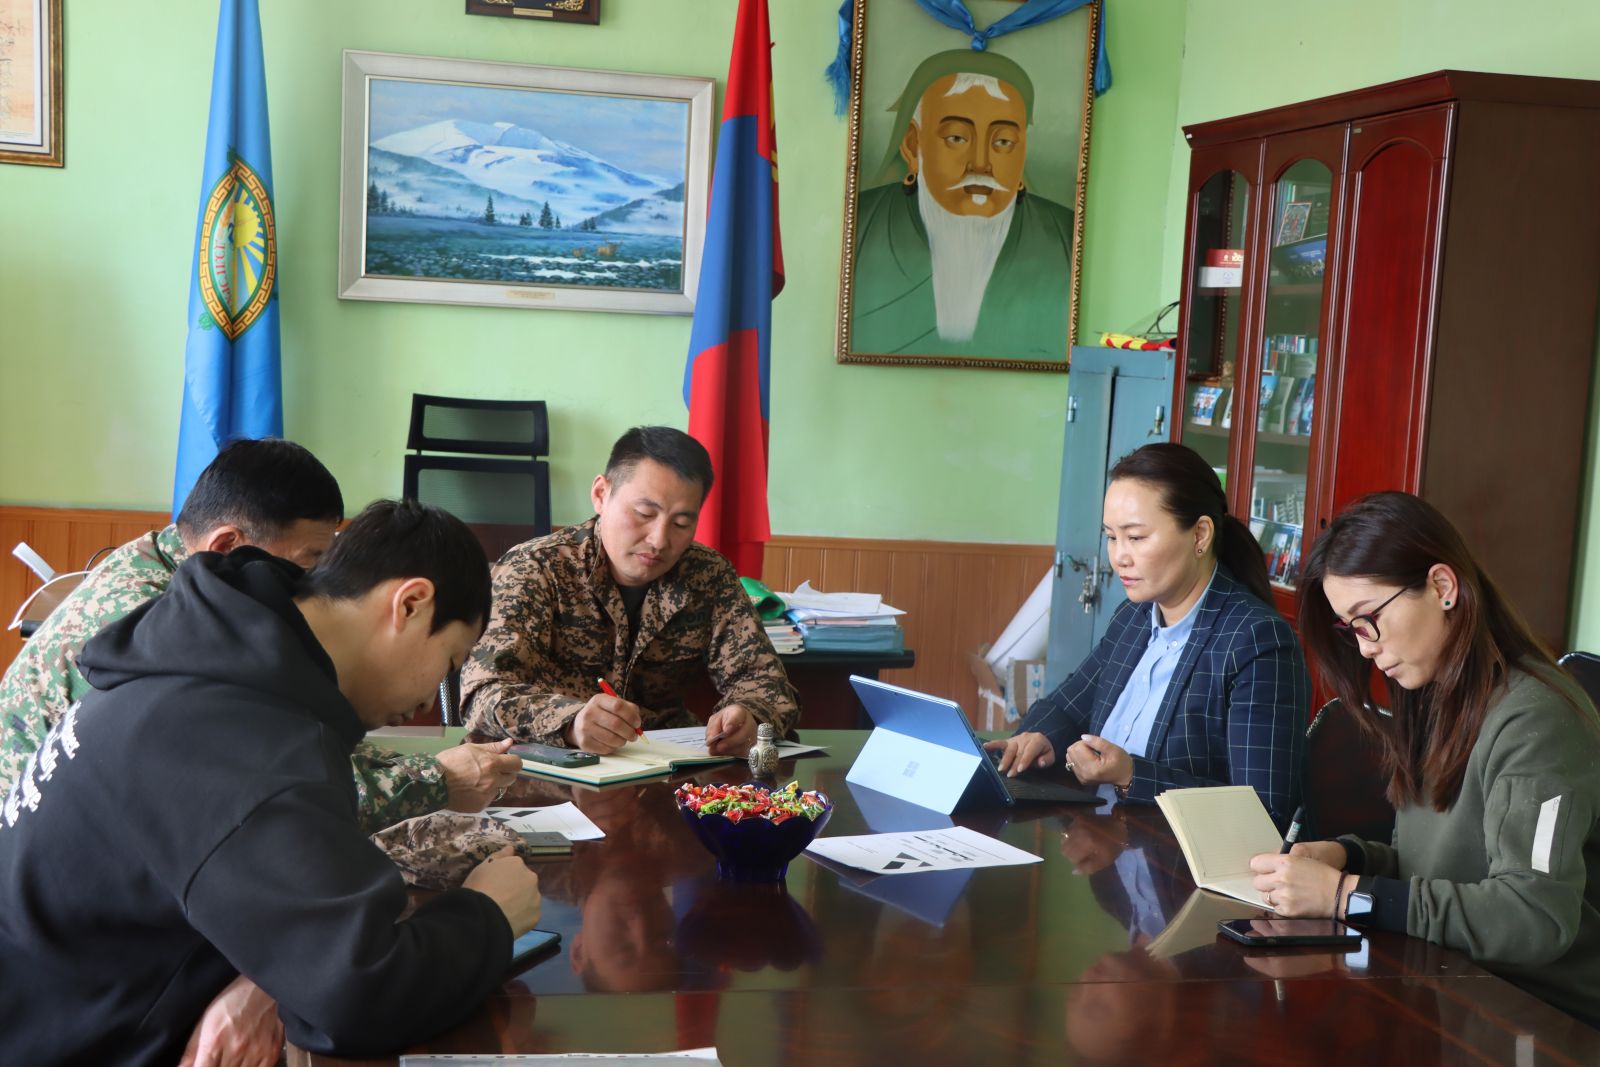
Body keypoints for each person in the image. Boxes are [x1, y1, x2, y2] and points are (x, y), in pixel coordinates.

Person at [0, 499, 543, 1066]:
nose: (432, 694)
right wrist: (490, 915)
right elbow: (358, 996)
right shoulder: (248, 739)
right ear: (410, 603)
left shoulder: (207, 654)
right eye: (448, 659)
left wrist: (261, 977)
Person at [0, 438, 522, 833]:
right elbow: (256, 789)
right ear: (227, 545)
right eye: (309, 562)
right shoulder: (155, 621)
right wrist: (436, 781)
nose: (319, 584)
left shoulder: (169, 572)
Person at [1248, 491, 1600, 1027]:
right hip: (1448, 984)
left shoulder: (1538, 719)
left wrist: (1348, 897)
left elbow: (1535, 918)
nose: (1364, 647)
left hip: (1540, 1018)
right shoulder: (1436, 695)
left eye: (1369, 620)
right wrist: (1349, 859)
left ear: (1442, 586)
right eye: (1351, 630)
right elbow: (1436, 872)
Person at [987, 443, 1309, 826]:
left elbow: (1263, 813)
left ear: (1200, 535)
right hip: (1106, 843)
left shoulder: (1256, 642)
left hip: (1178, 868)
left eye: (1136, 537)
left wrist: (1131, 777)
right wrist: (1040, 737)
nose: (1120, 556)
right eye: (1111, 537)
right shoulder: (1134, 617)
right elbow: (1066, 705)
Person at [460, 426, 799, 757]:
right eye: (644, 513)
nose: (659, 539)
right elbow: (483, 691)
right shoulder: (535, 568)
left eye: (682, 523)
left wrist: (749, 716)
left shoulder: (707, 575)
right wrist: (570, 722)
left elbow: (766, 684)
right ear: (600, 495)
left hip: (667, 770)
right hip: (556, 770)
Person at [851, 49, 1076, 361]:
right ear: (913, 145)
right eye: (957, 138)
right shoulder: (860, 224)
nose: (981, 164)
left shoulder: (1066, 238)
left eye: (1003, 142)